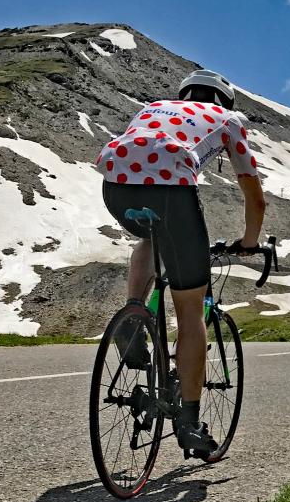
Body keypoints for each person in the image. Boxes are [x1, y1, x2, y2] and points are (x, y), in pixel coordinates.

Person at [95, 68, 267, 454]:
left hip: (114, 187)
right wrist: (249, 242)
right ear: (224, 101)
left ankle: (134, 315)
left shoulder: (154, 107)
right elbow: (255, 197)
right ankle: (189, 422)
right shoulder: (229, 120)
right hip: (172, 189)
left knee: (150, 236)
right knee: (190, 313)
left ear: (185, 93)